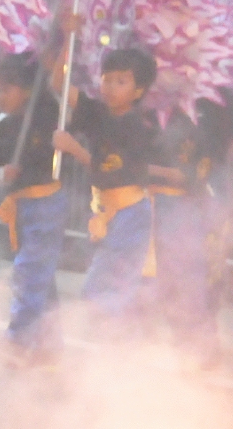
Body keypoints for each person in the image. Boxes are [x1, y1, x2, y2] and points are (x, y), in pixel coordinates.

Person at [52, 46, 159, 323]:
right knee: (108, 289)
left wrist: (74, 148)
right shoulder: (98, 113)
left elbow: (111, 172)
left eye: (121, 81)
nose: (111, 87)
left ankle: (124, 349)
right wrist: (67, 41)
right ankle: (123, 346)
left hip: (130, 213)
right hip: (106, 211)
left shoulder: (137, 126)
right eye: (107, 79)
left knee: (102, 289)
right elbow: (59, 84)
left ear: (139, 90)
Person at [150, 97, 233, 367]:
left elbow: (227, 146)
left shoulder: (215, 102)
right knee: (169, 274)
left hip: (201, 196)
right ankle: (184, 337)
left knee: (201, 270)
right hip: (163, 199)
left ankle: (202, 339)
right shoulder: (152, 103)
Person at [0, 52, 65, 361]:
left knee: (30, 271)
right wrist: (1, 174)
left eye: (7, 89)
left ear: (27, 91)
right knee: (41, 275)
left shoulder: (43, 112)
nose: (0, 97)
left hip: (46, 202)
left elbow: (50, 84)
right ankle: (49, 347)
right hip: (18, 208)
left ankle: (17, 339)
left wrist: (56, 51)